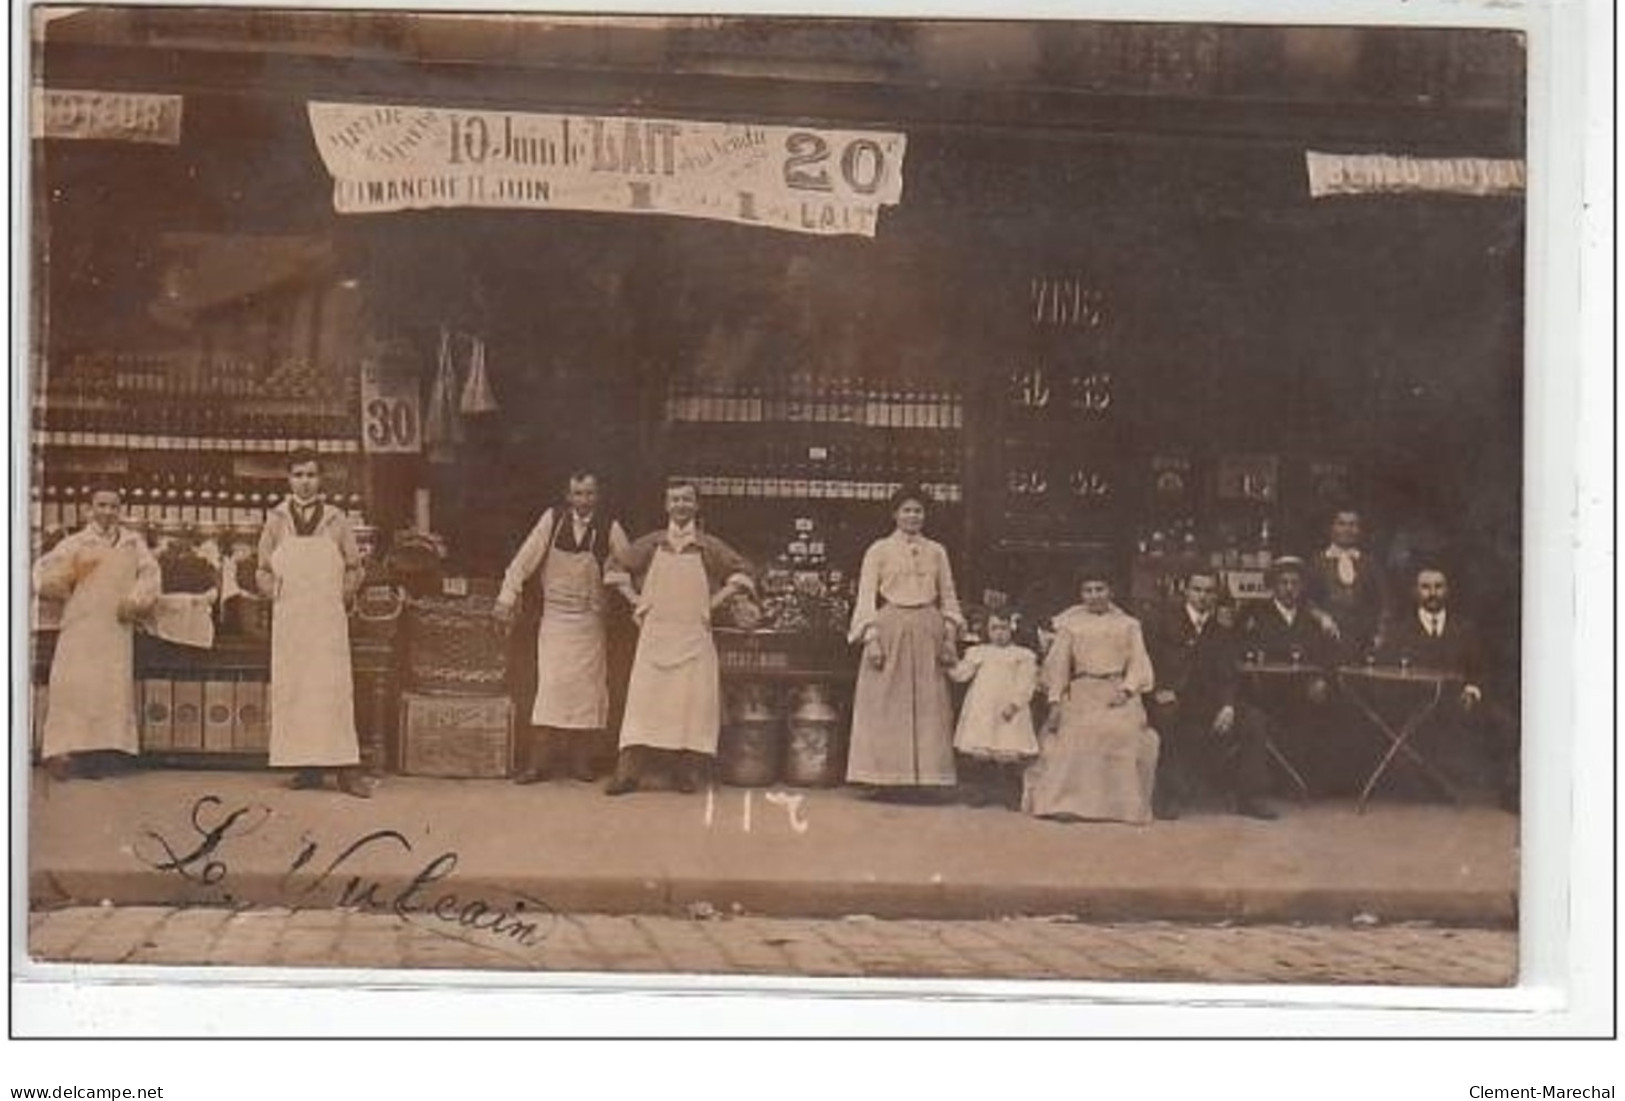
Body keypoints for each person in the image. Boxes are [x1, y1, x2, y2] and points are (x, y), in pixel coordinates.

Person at [603, 479, 755, 795]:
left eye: (687, 500)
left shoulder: (710, 546)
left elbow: (743, 571)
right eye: (675, 500)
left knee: (692, 706)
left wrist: (714, 602)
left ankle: (687, 773)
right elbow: (616, 564)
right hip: (656, 636)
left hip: (693, 637)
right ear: (666, 505)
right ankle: (628, 774)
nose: (681, 505)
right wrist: (636, 601)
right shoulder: (652, 543)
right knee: (643, 704)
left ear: (697, 505)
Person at [495, 471, 631, 784]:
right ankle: (538, 763)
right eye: (577, 494)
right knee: (551, 689)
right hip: (555, 620)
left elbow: (630, 565)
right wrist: (507, 595)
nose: (583, 500)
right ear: (568, 496)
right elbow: (524, 560)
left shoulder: (610, 527)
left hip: (589, 622)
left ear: (598, 496)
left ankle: (581, 762)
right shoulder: (552, 520)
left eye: (589, 494)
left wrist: (626, 591)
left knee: (587, 692)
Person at [256, 450, 371, 798]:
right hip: (291, 618)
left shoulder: (337, 520)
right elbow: (262, 568)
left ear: (321, 480)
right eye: (298, 475)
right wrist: (273, 593)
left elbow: (354, 567)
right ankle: (307, 769)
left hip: (326, 618)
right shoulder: (276, 519)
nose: (304, 481)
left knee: (332, 690)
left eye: (311, 475)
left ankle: (346, 770)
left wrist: (342, 595)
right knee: (296, 690)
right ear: (288, 479)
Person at [33, 484, 160, 781]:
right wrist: (58, 585)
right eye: (101, 505)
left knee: (110, 690)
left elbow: (150, 574)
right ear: (89, 509)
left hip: (116, 626)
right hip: (81, 625)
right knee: (75, 688)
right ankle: (63, 753)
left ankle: (102, 754)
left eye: (113, 506)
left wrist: (135, 600)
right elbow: (43, 572)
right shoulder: (76, 543)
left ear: (121, 510)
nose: (107, 512)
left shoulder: (132, 542)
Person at [845, 484, 965, 797]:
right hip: (890, 627)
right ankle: (883, 779)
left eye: (918, 511)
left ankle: (926, 780)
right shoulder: (879, 550)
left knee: (928, 704)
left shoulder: (937, 551)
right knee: (885, 703)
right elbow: (866, 596)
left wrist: (950, 636)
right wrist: (871, 639)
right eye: (907, 510)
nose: (913, 516)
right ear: (895, 514)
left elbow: (948, 595)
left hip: (928, 627)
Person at [1373, 564, 1519, 808]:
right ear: (1414, 592)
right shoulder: (1399, 630)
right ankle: (1434, 789)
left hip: (1459, 703)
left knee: (1507, 725)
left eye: (1438, 587)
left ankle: (1510, 792)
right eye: (1425, 587)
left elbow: (1480, 670)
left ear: (1447, 591)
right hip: (1417, 708)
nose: (1432, 593)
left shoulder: (1465, 628)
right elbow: (1387, 672)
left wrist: (1472, 691)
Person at [1023, 565, 1159, 825]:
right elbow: (1059, 666)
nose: (1094, 595)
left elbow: (1139, 663)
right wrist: (1055, 701)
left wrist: (1127, 690)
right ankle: (1067, 803)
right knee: (1075, 732)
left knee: (1120, 732)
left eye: (1100, 589)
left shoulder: (1128, 625)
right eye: (1088, 590)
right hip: (1082, 689)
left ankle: (1118, 808)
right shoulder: (1070, 624)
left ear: (1111, 591)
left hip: (1117, 689)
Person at [1144, 569, 1275, 820]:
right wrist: (1159, 688)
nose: (1202, 597)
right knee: (1167, 716)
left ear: (1215, 595)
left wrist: (1227, 706)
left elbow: (1228, 673)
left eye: (1208, 591)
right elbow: (1147, 661)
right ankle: (1168, 796)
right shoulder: (1163, 622)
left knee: (1254, 720)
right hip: (1170, 697)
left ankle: (1250, 797)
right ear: (1186, 591)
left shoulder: (1222, 630)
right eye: (1197, 590)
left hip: (1207, 703)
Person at [1240, 555, 1342, 793]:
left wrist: (1322, 680)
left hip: (1303, 690)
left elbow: (1328, 656)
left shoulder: (1313, 619)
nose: (1289, 589)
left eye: (1294, 583)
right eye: (1283, 583)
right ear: (1273, 585)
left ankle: (1312, 783)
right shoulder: (1255, 613)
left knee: (1331, 709)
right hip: (1265, 689)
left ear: (1302, 587)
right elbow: (1241, 650)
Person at [948, 609, 1039, 809]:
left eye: (1004, 628)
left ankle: (1011, 795)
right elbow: (962, 674)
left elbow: (1026, 683)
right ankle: (983, 792)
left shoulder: (1022, 655)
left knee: (1008, 748)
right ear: (987, 631)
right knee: (983, 750)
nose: (999, 633)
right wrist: (950, 662)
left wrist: (1015, 704)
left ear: (1012, 629)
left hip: (1009, 709)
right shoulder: (979, 652)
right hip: (983, 708)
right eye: (994, 628)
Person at [1307, 507, 1388, 659]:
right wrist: (1321, 617)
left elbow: (1383, 603)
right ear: (1331, 528)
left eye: (1353, 524)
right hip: (1325, 642)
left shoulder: (1370, 563)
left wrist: (1380, 634)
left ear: (1360, 530)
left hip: (1363, 643)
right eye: (1341, 524)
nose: (1347, 529)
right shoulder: (1317, 562)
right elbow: (1307, 600)